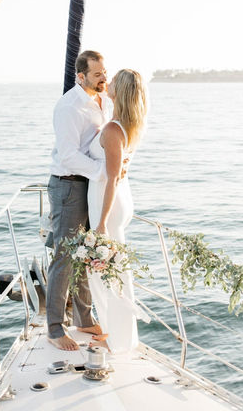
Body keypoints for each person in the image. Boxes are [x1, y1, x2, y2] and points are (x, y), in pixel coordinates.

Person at [46, 50, 113, 351]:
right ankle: (55, 328)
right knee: (63, 257)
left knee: (83, 255)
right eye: (97, 74)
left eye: (104, 72)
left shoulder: (105, 100)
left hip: (90, 188)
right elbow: (69, 155)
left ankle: (84, 318)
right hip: (69, 186)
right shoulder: (69, 107)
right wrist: (103, 172)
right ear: (81, 76)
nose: (103, 77)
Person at [87, 68, 150, 354]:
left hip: (108, 204)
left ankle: (119, 338)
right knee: (111, 270)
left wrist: (100, 222)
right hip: (119, 199)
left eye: (112, 81)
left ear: (120, 91)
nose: (107, 82)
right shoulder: (127, 124)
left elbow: (111, 178)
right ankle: (117, 332)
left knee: (108, 272)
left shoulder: (113, 130)